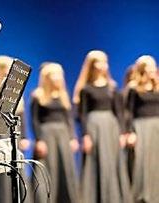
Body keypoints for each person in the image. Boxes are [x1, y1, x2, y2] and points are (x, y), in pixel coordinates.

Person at [73, 50, 131, 203]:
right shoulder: (85, 89)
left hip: (111, 127)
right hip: (94, 128)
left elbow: (119, 112)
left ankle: (114, 196)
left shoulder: (112, 87)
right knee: (96, 160)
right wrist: (85, 135)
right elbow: (82, 114)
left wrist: (123, 132)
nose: (102, 65)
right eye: (98, 62)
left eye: (104, 62)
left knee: (113, 160)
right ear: (91, 66)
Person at [0, 55, 31, 203]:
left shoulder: (14, 91)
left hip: (14, 137)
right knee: (2, 177)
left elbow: (21, 116)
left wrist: (25, 136)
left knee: (17, 172)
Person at [31, 62, 79, 203]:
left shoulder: (63, 95)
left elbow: (68, 118)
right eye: (53, 74)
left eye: (59, 75)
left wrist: (72, 137)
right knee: (48, 167)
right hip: (47, 136)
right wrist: (39, 140)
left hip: (63, 135)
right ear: (46, 77)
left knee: (64, 168)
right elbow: (34, 120)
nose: (57, 78)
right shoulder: (38, 96)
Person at [125, 55, 159, 203]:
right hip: (141, 128)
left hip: (157, 126)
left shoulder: (158, 87)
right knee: (143, 162)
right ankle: (143, 195)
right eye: (149, 67)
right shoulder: (133, 88)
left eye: (153, 66)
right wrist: (130, 132)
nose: (152, 70)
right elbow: (128, 112)